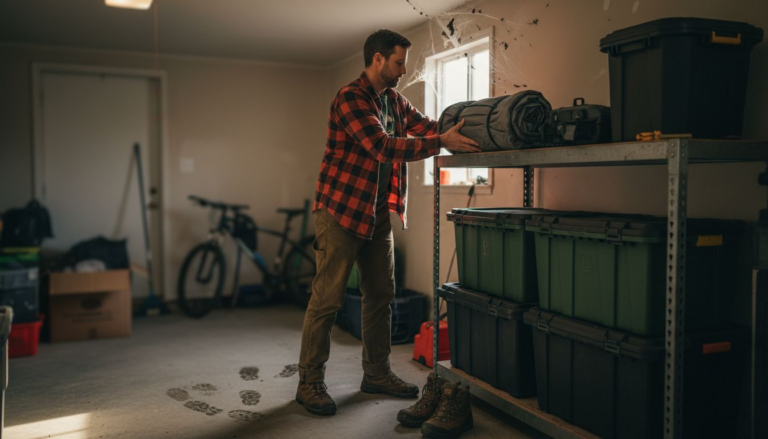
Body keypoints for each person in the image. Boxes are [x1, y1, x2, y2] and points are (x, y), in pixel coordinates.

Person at [296, 29, 479, 416]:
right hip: (340, 212)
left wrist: (459, 128)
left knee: (380, 295)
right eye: (398, 63)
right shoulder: (350, 98)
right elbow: (381, 146)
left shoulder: (394, 100)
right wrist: (441, 142)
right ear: (377, 59)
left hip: (376, 213)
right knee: (327, 300)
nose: (402, 71)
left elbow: (424, 126)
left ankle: (376, 373)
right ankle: (309, 382)